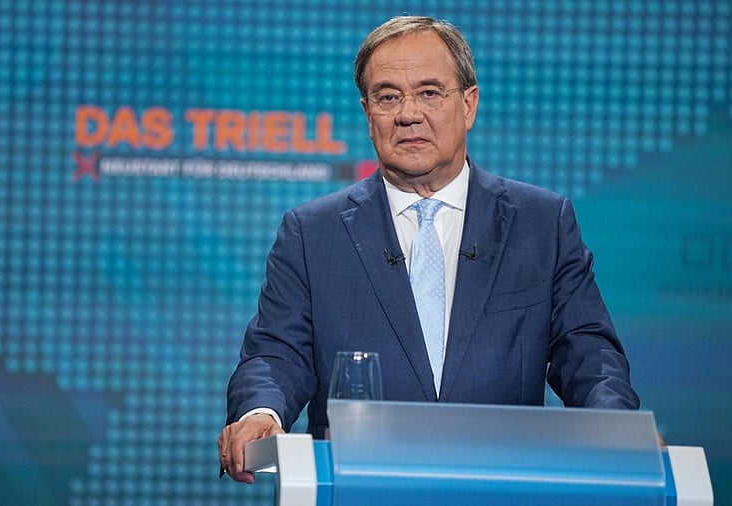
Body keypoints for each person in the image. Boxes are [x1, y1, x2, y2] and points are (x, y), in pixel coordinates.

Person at [218, 16, 639, 483]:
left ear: (469, 105)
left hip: (503, 485)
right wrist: (260, 412)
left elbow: (585, 350)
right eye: (388, 96)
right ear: (367, 113)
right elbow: (276, 353)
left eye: (430, 92)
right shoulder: (312, 232)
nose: (408, 113)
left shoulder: (541, 223)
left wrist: (615, 425)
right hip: (361, 485)